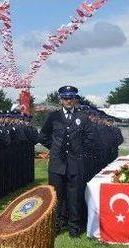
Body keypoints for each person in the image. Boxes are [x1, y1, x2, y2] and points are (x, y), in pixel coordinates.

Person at [39, 85, 95, 236]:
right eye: (65, 98)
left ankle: (74, 226)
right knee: (56, 196)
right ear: (60, 100)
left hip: (75, 163)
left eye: (71, 98)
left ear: (75, 99)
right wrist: (55, 148)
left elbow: (90, 138)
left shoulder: (82, 117)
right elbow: (43, 136)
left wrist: (80, 151)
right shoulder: (53, 117)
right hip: (57, 164)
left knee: (75, 195)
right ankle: (56, 224)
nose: (68, 100)